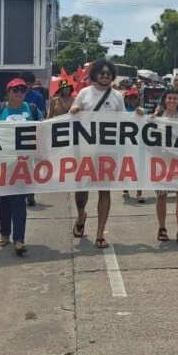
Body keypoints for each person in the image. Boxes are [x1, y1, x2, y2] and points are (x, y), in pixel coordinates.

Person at [70, 60, 125, 249]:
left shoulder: (117, 96)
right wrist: (75, 111)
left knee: (104, 189)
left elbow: (125, 122)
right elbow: (72, 116)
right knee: (81, 189)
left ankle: (100, 233)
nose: (105, 75)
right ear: (94, 75)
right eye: (101, 73)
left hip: (108, 149)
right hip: (85, 148)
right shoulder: (84, 94)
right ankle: (80, 215)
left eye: (108, 73)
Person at [0, 78, 42, 253]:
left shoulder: (32, 110)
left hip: (24, 164)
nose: (19, 93)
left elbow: (43, 131)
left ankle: (19, 239)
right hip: (3, 162)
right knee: (5, 201)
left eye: (22, 90)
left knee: (19, 201)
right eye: (15, 90)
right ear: (8, 92)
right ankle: (4, 234)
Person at [152, 90, 178, 247]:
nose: (172, 101)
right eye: (169, 98)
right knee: (162, 196)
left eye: (175, 98)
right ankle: (162, 228)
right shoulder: (157, 116)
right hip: (161, 159)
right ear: (165, 100)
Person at [20, 72, 46, 206]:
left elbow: (42, 115)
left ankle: (30, 194)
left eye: (29, 84)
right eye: (26, 84)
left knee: (31, 167)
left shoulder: (38, 96)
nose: (27, 87)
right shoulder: (16, 94)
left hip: (32, 138)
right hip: (17, 139)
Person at [122, 88, 146, 204]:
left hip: (138, 144)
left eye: (134, 98)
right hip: (124, 144)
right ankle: (125, 189)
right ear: (125, 99)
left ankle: (139, 194)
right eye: (129, 98)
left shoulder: (140, 110)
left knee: (139, 168)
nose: (132, 100)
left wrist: (140, 112)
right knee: (126, 168)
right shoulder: (121, 110)